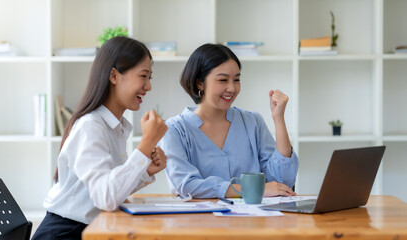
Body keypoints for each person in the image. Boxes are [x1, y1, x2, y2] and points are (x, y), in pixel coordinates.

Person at [32, 36, 168, 240]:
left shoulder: (112, 126)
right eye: (143, 76)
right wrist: (145, 145)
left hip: (87, 229)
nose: (148, 86)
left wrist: (145, 170)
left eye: (150, 78)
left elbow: (110, 189)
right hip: (65, 234)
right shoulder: (91, 126)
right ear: (114, 75)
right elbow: (106, 198)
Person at [160, 43, 298, 199]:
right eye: (223, 80)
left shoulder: (252, 122)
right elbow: (185, 185)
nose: (232, 88)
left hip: (252, 221)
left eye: (236, 80)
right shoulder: (174, 129)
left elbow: (282, 182)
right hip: (200, 221)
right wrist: (250, 189)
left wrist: (278, 118)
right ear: (200, 83)